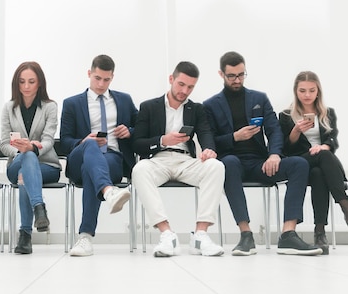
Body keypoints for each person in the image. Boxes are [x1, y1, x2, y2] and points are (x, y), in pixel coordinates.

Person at [203, 51, 322, 256]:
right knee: (229, 162)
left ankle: (288, 234)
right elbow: (211, 141)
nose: (237, 80)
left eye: (241, 74)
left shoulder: (259, 98)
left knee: (299, 164)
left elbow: (274, 130)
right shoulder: (210, 105)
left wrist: (274, 154)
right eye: (232, 76)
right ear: (221, 74)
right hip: (233, 164)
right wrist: (234, 137)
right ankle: (246, 235)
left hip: (261, 163)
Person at [131, 61, 225, 257]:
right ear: (171, 79)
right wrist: (162, 140)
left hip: (186, 162)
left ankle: (200, 235)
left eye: (190, 87)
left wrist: (208, 150)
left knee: (216, 166)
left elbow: (206, 134)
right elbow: (137, 143)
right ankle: (167, 235)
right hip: (158, 160)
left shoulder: (196, 109)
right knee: (139, 170)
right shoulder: (148, 107)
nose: (185, 90)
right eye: (181, 84)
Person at [60, 54, 137, 257]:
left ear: (112, 77)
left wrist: (130, 131)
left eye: (106, 79)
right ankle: (109, 192)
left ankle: (85, 237)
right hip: (79, 157)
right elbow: (65, 142)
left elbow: (141, 129)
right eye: (97, 78)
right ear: (89, 74)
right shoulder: (72, 103)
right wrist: (84, 141)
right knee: (91, 148)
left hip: (112, 159)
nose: (101, 84)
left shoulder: (124, 100)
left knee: (91, 171)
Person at [279, 71, 348, 255]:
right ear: (296, 91)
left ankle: (319, 233)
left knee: (319, 171)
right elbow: (285, 149)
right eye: (302, 91)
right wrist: (295, 131)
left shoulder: (328, 113)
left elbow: (333, 141)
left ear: (318, 92)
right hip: (300, 164)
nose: (307, 95)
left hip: (324, 166)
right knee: (321, 158)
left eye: (311, 90)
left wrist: (323, 147)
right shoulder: (286, 115)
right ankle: (344, 204)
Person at [0, 62, 61, 254]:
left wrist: (32, 148)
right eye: (22, 82)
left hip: (47, 166)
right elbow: (3, 144)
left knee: (24, 173)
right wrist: (21, 151)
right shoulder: (9, 108)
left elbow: (48, 141)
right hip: (16, 162)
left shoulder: (50, 107)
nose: (26, 86)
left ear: (39, 83)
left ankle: (25, 235)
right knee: (25, 159)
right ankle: (39, 207)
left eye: (31, 82)